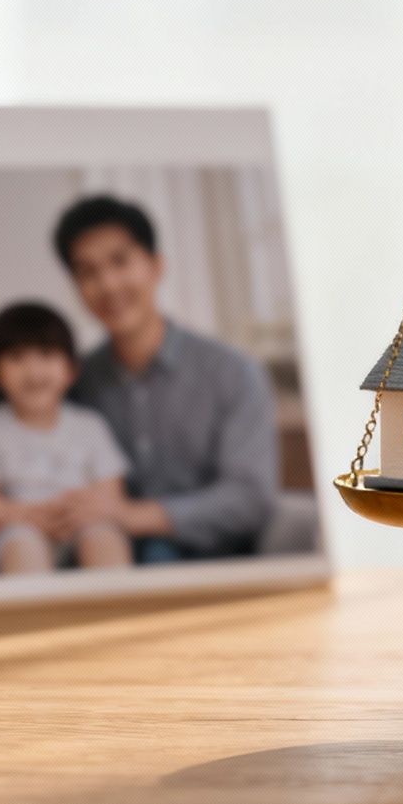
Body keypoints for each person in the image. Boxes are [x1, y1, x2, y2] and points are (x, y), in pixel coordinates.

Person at [53, 194, 278, 563]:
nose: (107, 285)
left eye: (120, 262)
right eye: (87, 272)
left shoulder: (233, 373)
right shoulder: (75, 383)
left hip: (214, 564)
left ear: (156, 266)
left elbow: (250, 498)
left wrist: (132, 516)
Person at [0, 302, 133, 575]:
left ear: (71, 369)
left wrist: (73, 514)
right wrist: (27, 516)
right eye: (16, 357)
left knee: (104, 537)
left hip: (81, 526)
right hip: (17, 529)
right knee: (23, 545)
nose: (33, 371)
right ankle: (36, 619)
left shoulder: (90, 425)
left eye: (47, 354)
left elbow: (111, 498)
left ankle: (121, 616)